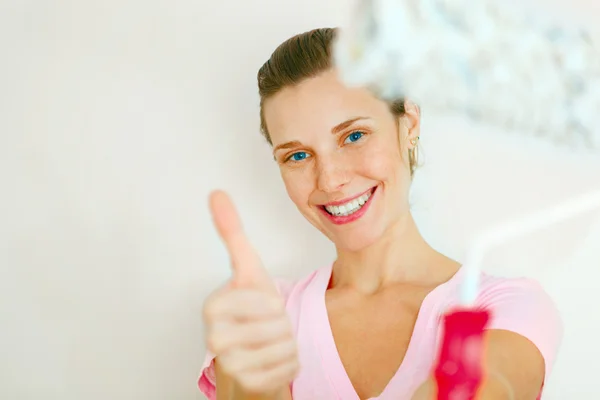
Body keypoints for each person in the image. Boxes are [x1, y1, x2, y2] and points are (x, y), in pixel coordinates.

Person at [199, 28, 563, 400]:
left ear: (409, 124)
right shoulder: (259, 318)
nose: (331, 179)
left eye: (354, 136)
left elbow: (492, 385)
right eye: (297, 156)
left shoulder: (505, 306)